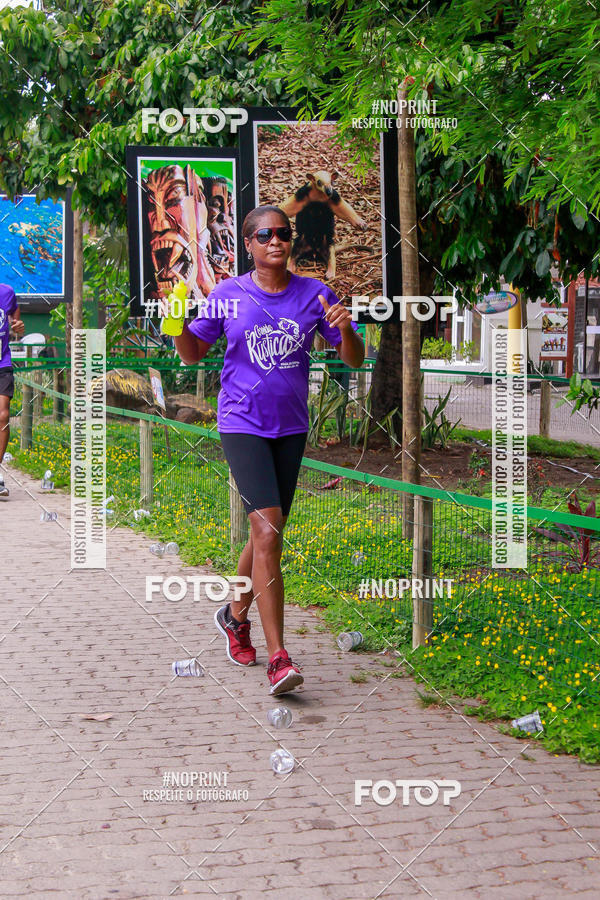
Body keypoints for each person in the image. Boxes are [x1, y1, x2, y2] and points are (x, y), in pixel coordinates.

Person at [172, 205, 364, 695]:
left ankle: (233, 616)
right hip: (241, 422)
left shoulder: (316, 293)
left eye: (282, 233)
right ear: (250, 245)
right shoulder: (228, 295)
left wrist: (343, 327)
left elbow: (353, 358)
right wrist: (177, 325)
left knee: (266, 534)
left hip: (291, 427)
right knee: (267, 526)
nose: (275, 241)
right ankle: (279, 657)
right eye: (264, 235)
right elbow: (193, 353)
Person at [0, 283, 24, 498]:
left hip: (2, 363)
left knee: (3, 416)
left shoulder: (6, 292)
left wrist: (16, 325)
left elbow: (15, 316)